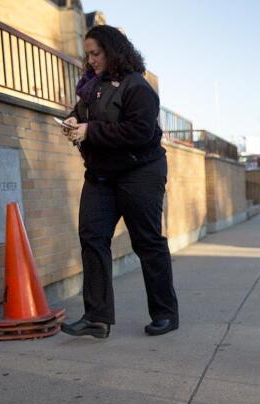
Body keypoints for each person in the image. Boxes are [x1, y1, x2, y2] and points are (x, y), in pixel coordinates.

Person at [59, 25, 178, 339]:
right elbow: (86, 112)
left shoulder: (137, 86)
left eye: (96, 53)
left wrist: (90, 131)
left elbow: (140, 132)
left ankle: (165, 313)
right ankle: (96, 318)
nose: (91, 60)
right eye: (88, 54)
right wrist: (74, 120)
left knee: (147, 242)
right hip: (101, 176)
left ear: (113, 51)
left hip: (140, 173)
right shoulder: (90, 86)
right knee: (92, 237)